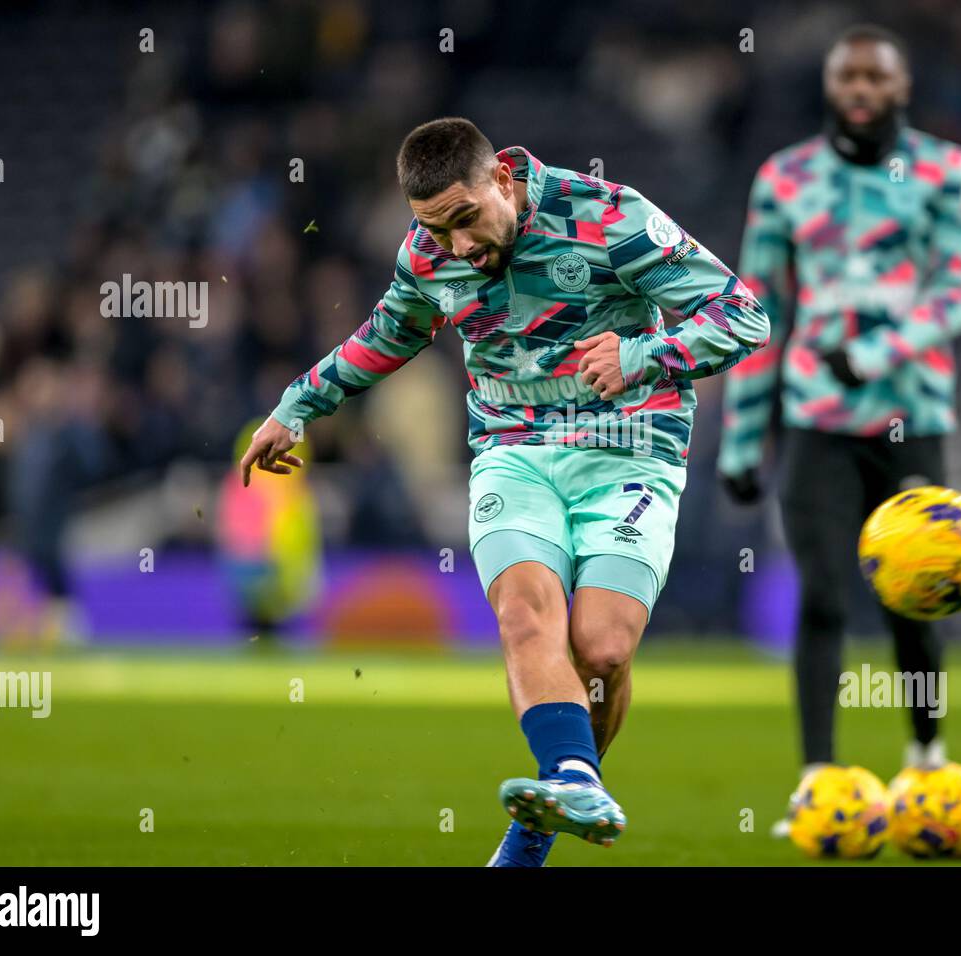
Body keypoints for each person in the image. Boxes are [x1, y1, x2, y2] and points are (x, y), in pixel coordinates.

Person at [239, 117, 769, 865]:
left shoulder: (611, 215)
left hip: (630, 452)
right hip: (514, 453)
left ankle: (547, 810)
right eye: (435, 229)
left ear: (505, 180)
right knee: (525, 615)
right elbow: (388, 334)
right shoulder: (427, 255)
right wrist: (296, 407)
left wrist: (646, 352)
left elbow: (744, 316)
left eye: (465, 219)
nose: (456, 245)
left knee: (603, 647)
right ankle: (568, 781)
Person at [716, 25, 961, 837]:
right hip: (816, 420)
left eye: (877, 76)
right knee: (824, 597)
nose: (862, 88)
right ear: (831, 86)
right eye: (848, 76)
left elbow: (958, 291)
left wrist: (872, 353)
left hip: (914, 414)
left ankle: (927, 762)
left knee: (916, 599)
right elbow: (755, 308)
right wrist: (740, 435)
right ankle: (817, 782)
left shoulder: (946, 171)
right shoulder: (786, 178)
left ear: (902, 87)